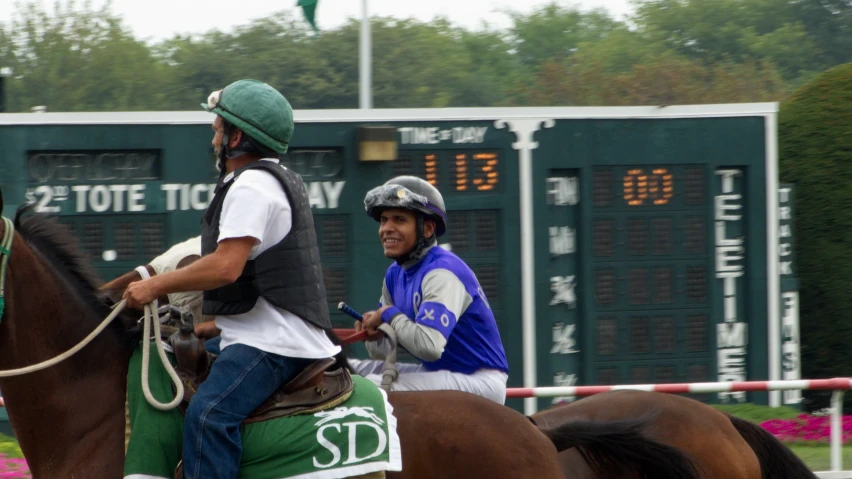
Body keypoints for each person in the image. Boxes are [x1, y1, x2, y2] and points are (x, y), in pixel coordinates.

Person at [123, 79, 340, 479]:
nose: (214, 135)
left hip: (274, 345)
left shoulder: (253, 186)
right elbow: (263, 277)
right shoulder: (270, 179)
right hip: (265, 335)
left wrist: (154, 286)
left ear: (237, 137)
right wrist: (216, 325)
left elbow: (226, 267)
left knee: (208, 416)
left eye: (219, 128)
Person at [350, 176, 509, 405]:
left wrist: (387, 315)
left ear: (427, 228)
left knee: (369, 389)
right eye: (384, 220)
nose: (387, 229)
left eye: (399, 219)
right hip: (439, 375)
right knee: (348, 373)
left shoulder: (442, 272)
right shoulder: (394, 274)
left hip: (478, 383)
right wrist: (373, 335)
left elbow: (428, 347)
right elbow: (383, 352)